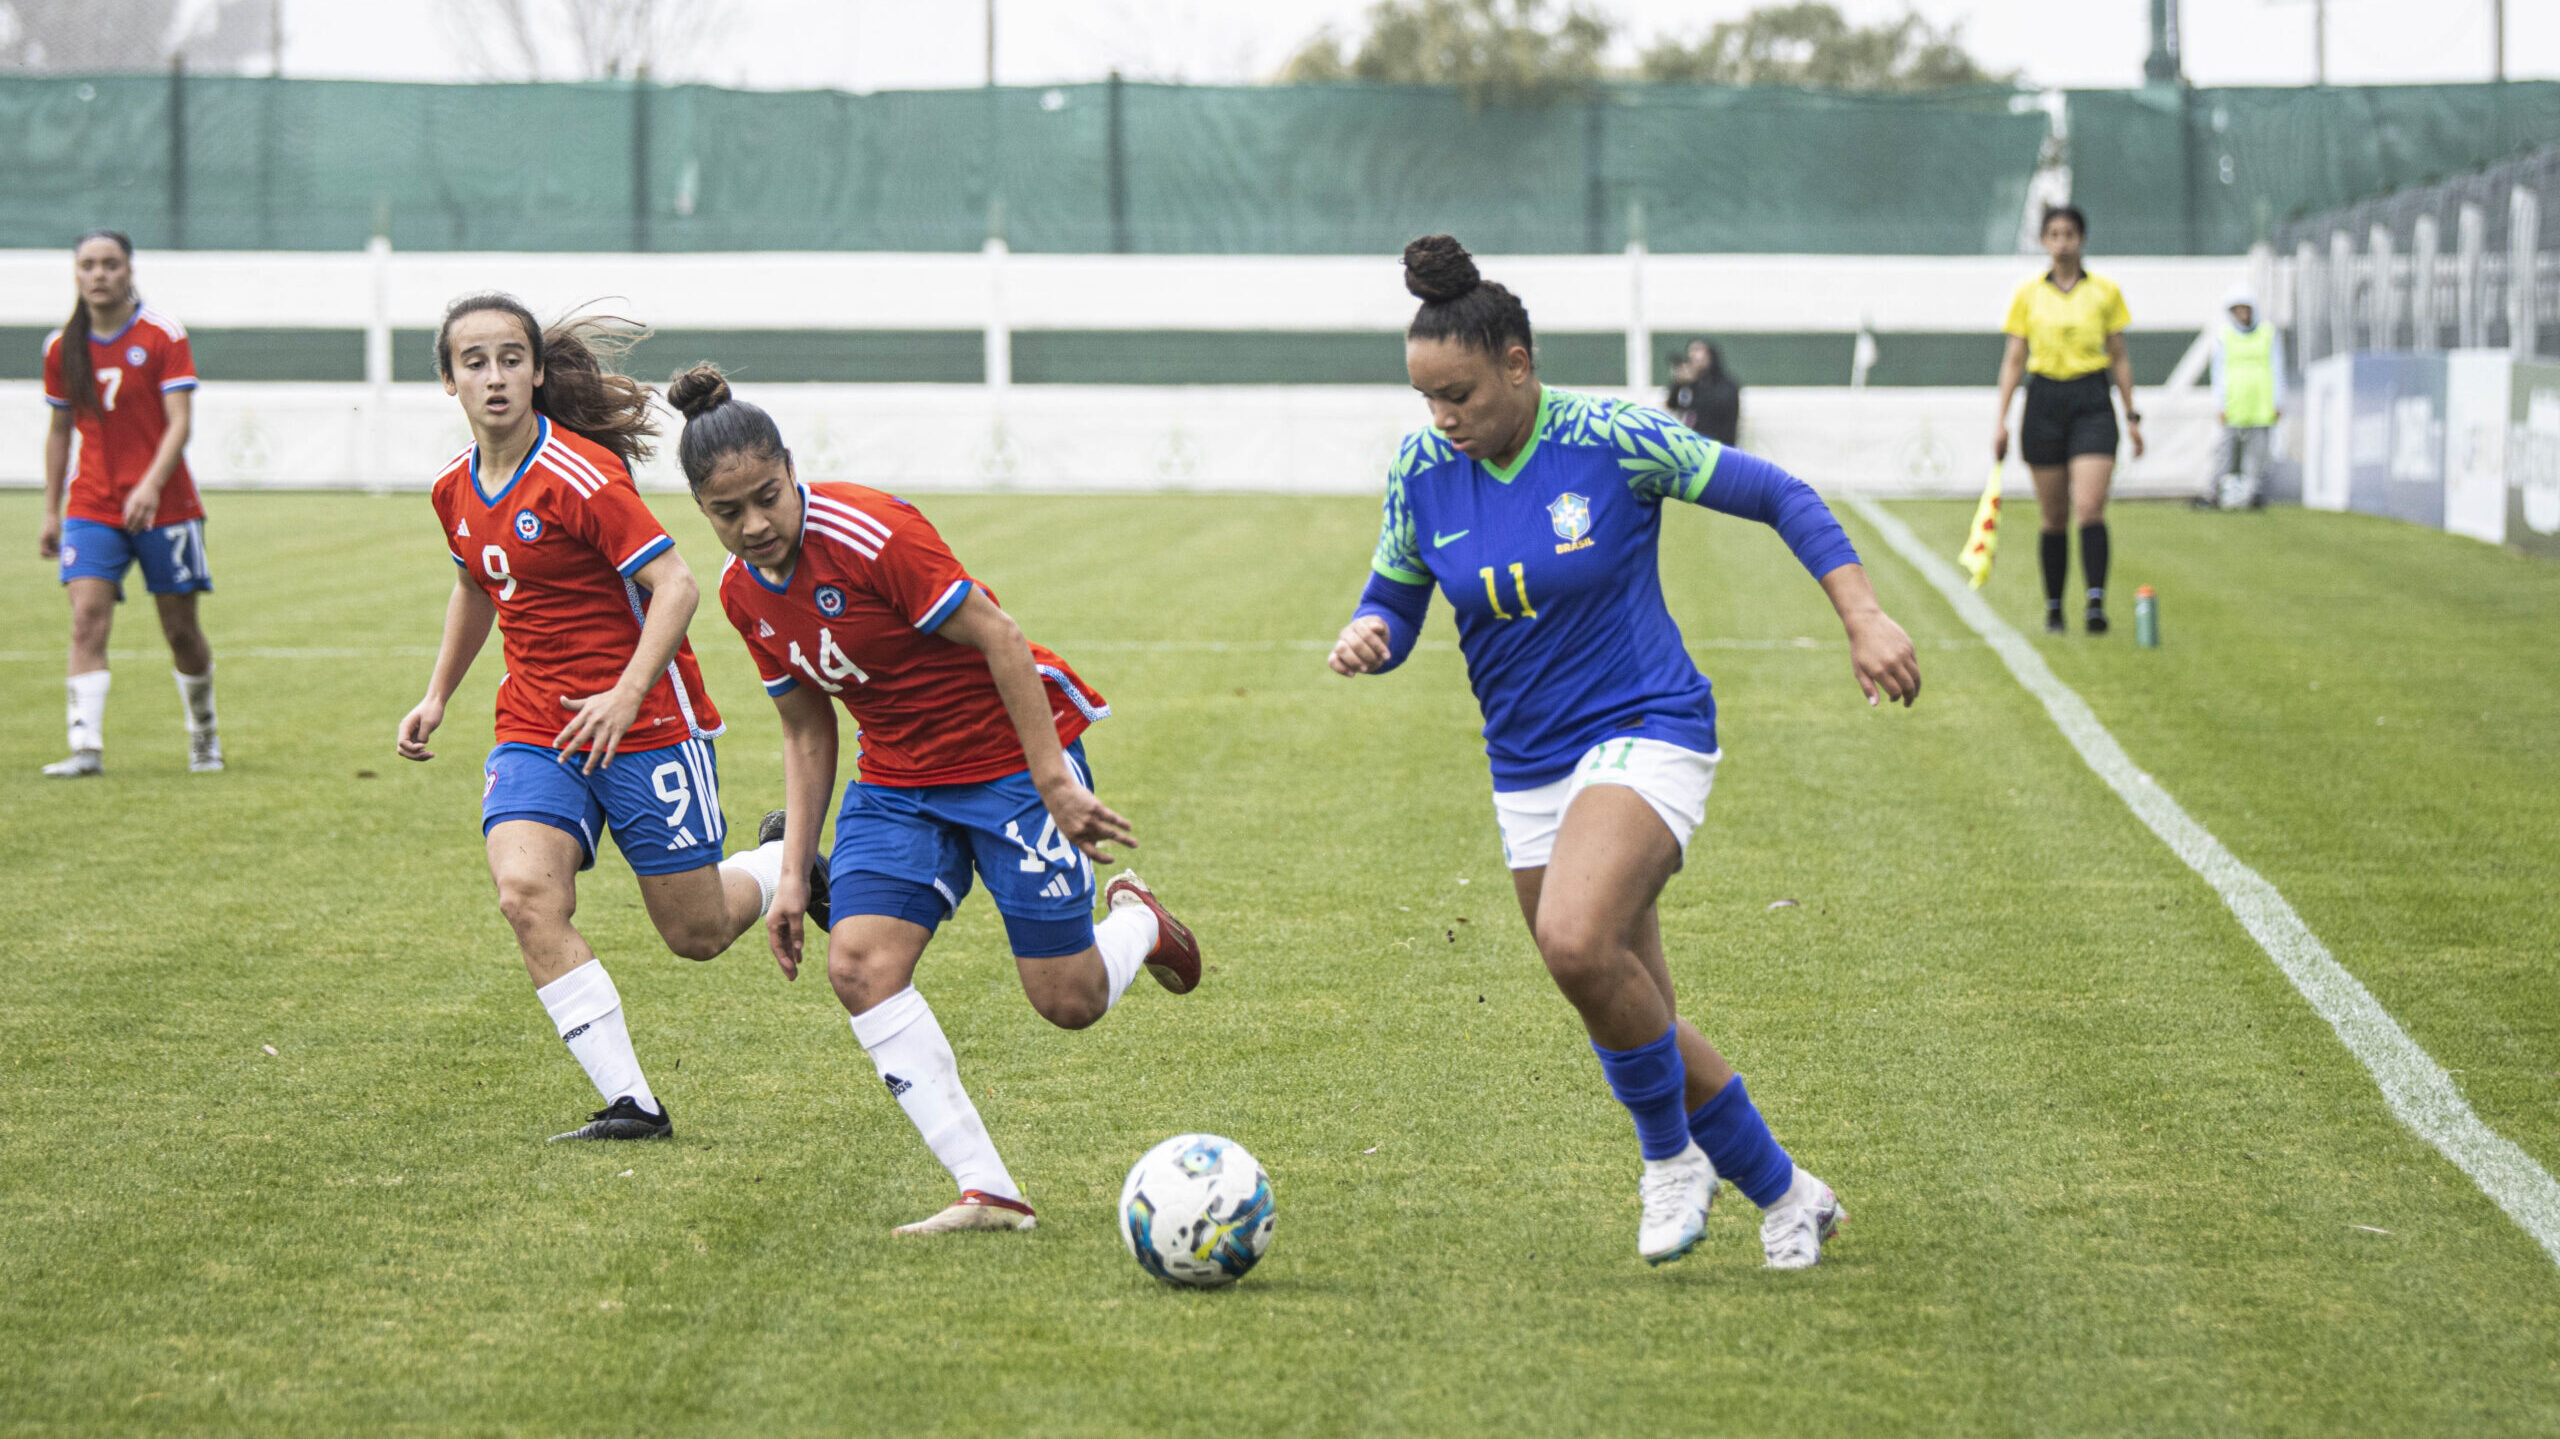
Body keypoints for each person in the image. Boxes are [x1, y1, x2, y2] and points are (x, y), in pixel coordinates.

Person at [1329, 235, 1922, 1270]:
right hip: (1525, 767)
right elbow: (1396, 593)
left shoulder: (1610, 438)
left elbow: (1779, 493)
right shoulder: (1421, 471)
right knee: (1620, 996)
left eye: (1460, 392)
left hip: (1645, 728)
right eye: (1428, 398)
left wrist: (1862, 615)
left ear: (1517, 361)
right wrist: (1370, 634)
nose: (1444, 418)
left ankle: (1667, 1158)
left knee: (1571, 936)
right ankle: (1787, 1191)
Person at [671, 362, 1202, 1236]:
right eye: (728, 514)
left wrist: (1054, 782)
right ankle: (989, 1189)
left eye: (768, 496)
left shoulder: (875, 533)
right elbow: (808, 732)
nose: (755, 524)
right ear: (702, 509)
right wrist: (797, 870)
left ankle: (1140, 919)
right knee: (859, 967)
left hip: (1006, 763)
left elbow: (1000, 635)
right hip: (898, 780)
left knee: (1066, 999)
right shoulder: (740, 594)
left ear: (791, 468)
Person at [394, 295, 804, 1144]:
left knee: (694, 932)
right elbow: (478, 581)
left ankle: (777, 862)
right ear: (448, 381)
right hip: (537, 725)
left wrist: (625, 692)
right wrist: (438, 694)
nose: (495, 376)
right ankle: (634, 1102)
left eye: (512, 358)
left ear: (537, 371)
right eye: (474, 361)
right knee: (524, 895)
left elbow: (678, 586)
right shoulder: (452, 492)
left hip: (647, 720)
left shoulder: (580, 475)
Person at [38, 229, 220, 777]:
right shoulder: (60, 346)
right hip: (92, 505)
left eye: (110, 264)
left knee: (180, 631)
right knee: (86, 619)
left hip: (167, 507)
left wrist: (149, 484)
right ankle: (85, 748)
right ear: (76, 273)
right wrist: (51, 510)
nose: (99, 274)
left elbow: (179, 423)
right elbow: (59, 431)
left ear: (129, 270)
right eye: (88, 264)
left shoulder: (162, 335)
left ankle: (204, 736)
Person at [1993, 204, 2143, 635]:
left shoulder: (2104, 292)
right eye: (2054, 234)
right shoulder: (2028, 294)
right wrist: (2000, 419)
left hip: (2091, 399)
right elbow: (2014, 359)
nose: (2062, 242)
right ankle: (2054, 607)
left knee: (2090, 506)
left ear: (2081, 239)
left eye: (2070, 234)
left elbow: (2118, 356)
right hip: (2044, 400)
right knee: (2053, 515)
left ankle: (2095, 602)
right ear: (2044, 241)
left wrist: (2131, 414)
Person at [2200, 284, 2283, 510]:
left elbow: (2277, 368)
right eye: (2238, 309)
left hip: (2260, 404)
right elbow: (2218, 371)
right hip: (2234, 403)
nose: (2243, 314)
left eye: (2246, 309)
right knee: (2223, 451)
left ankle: (2251, 494)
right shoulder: (2225, 336)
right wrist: (2220, 403)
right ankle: (2213, 493)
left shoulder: (2267, 333)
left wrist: (2277, 400)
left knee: (2256, 455)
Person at [1664, 338, 1741, 447]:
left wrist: (1694, 384)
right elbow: (1673, 405)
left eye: (1698, 351)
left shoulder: (1725, 384)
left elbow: (1715, 407)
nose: (1694, 357)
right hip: (1693, 444)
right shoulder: (1689, 385)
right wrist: (1679, 384)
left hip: (1720, 445)